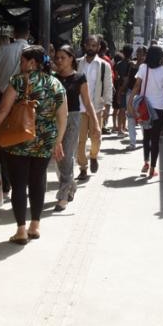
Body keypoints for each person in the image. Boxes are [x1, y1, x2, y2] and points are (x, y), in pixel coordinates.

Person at [0, 46, 67, 244]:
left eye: (23, 61)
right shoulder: (56, 83)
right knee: (38, 181)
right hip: (45, 140)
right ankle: (35, 226)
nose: (21, 65)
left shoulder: (18, 81)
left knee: (19, 185)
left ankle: (21, 230)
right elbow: (62, 115)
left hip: (19, 139)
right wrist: (58, 141)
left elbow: (3, 109)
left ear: (32, 62)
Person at [0, 21, 31, 196]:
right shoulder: (33, 51)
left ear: (13, 33)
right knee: (22, 139)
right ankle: (20, 182)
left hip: (2, 97)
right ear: (28, 33)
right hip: (25, 101)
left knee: (1, 140)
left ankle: (5, 183)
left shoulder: (4, 50)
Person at [53, 45, 100, 211]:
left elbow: (87, 102)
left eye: (62, 57)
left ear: (71, 58)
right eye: (57, 57)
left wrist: (95, 123)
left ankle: (63, 196)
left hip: (72, 119)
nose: (59, 60)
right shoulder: (52, 78)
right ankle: (70, 186)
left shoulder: (79, 78)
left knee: (65, 156)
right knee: (58, 157)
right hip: (54, 120)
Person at [128, 45, 163, 178]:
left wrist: (130, 102)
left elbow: (136, 86)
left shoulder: (143, 68)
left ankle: (145, 162)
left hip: (145, 108)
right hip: (160, 109)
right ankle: (152, 168)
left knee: (146, 136)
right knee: (155, 139)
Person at [76, 35, 112, 180]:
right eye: (88, 45)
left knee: (96, 138)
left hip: (96, 107)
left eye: (94, 46)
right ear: (85, 46)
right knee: (81, 140)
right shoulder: (78, 63)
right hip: (79, 108)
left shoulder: (104, 65)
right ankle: (83, 168)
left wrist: (108, 106)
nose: (91, 48)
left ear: (98, 47)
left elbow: (108, 87)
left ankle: (93, 156)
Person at [125, 46, 146, 150]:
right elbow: (128, 79)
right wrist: (121, 91)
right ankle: (132, 143)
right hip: (130, 93)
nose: (139, 55)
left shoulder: (147, 67)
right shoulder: (132, 65)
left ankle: (145, 140)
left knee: (142, 118)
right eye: (137, 53)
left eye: (141, 53)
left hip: (141, 95)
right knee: (130, 118)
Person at [114, 46, 134, 135]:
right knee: (125, 109)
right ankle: (121, 128)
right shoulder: (132, 64)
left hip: (120, 87)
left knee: (122, 109)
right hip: (128, 88)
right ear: (131, 53)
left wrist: (118, 90)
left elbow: (117, 77)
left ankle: (121, 127)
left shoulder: (118, 63)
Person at [97, 38, 115, 133]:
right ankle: (102, 126)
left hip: (100, 88)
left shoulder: (94, 60)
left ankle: (101, 125)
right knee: (105, 107)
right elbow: (110, 75)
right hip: (105, 87)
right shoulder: (106, 60)